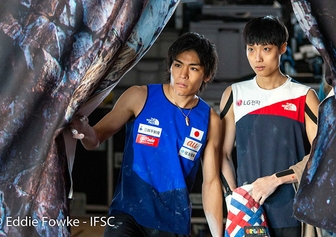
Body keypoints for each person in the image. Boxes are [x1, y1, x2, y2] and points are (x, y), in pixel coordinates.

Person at [70, 32, 224, 237]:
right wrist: (83, 129)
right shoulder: (139, 96)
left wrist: (218, 234)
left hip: (173, 222)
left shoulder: (210, 120)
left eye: (193, 68)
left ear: (206, 75)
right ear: (170, 66)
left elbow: (211, 183)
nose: (183, 74)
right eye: (178, 65)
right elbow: (95, 138)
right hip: (127, 213)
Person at [219, 15, 320, 237]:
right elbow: (223, 154)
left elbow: (320, 155)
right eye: (251, 49)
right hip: (248, 212)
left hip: (292, 211)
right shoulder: (234, 94)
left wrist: (275, 180)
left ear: (282, 48)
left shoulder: (304, 96)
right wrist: (234, 199)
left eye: (265, 49)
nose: (257, 58)